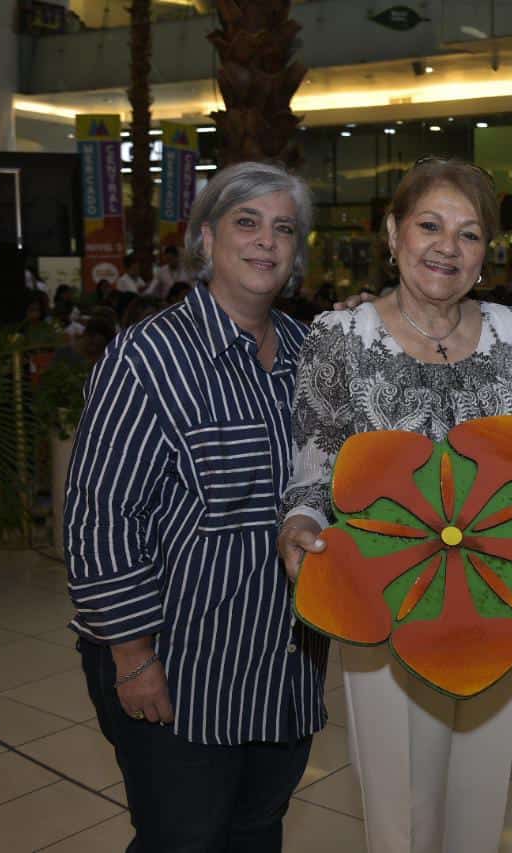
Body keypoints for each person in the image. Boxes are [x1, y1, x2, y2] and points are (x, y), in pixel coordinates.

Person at [277, 156, 512, 853]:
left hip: (495, 597)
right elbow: (314, 461)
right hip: (383, 600)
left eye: (470, 233)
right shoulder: (341, 336)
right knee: (400, 809)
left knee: (482, 798)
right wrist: (302, 523)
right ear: (394, 232)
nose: (447, 247)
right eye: (430, 225)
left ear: (488, 252)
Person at [65, 161, 328, 851]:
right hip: (180, 667)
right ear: (207, 239)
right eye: (246, 222)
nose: (266, 241)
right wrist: (131, 655)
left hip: (282, 662)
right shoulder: (146, 358)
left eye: (283, 228)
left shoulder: (310, 357)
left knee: (255, 830)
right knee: (183, 837)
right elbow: (102, 517)